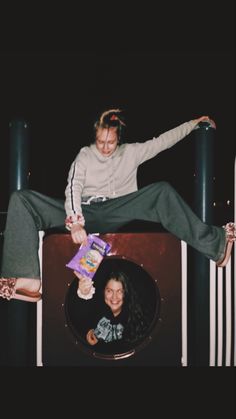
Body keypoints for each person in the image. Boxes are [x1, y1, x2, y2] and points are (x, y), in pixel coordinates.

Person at [0, 108, 235, 302]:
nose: (104, 148)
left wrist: (194, 123)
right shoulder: (85, 155)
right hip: (85, 210)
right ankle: (28, 281)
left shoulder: (132, 152)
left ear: (118, 139)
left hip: (119, 209)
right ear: (95, 137)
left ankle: (215, 246)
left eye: (110, 142)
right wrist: (75, 221)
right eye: (100, 141)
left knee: (162, 190)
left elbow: (162, 141)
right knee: (21, 200)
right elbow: (74, 187)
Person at [66, 270, 151, 350]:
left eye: (120, 291)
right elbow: (76, 318)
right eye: (109, 291)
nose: (114, 297)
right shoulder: (94, 309)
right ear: (103, 292)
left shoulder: (135, 318)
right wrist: (86, 333)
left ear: (126, 293)